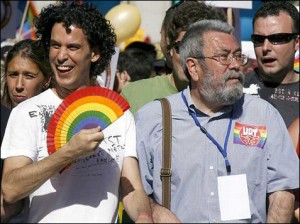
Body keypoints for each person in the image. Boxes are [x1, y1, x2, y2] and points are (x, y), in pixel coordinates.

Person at [1, 2, 153, 223]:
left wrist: (143, 216)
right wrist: (68, 152)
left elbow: (132, 188)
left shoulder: (119, 114)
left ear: (95, 54)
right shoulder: (27, 112)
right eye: (55, 45)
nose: (61, 56)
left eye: (72, 47)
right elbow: (10, 189)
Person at [136, 19, 299, 223]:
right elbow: (136, 191)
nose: (235, 65)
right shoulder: (154, 117)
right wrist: (155, 210)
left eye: (238, 56)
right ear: (193, 68)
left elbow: (283, 189)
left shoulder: (263, 114)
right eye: (223, 57)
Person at [121, 1, 226, 117]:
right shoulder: (134, 94)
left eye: (199, 49)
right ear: (170, 47)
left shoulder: (226, 100)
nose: (189, 58)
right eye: (183, 46)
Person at [243, 1, 299, 128]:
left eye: (277, 38)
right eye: (258, 39)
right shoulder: (235, 89)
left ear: (296, 42)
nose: (265, 48)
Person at [1, 39, 53, 109]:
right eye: (13, 75)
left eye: (29, 76)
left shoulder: (62, 118)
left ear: (46, 80)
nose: (19, 86)